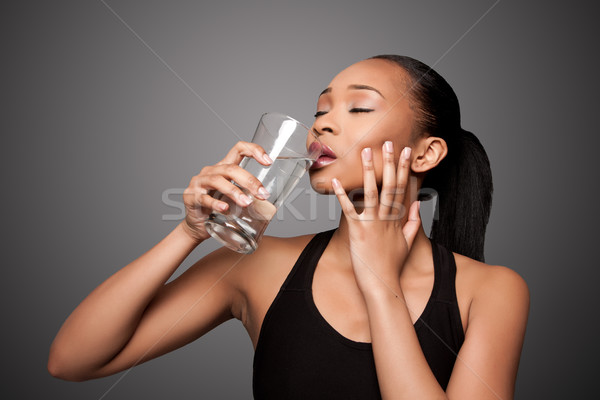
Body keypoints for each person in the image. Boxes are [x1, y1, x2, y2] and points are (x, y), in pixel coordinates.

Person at [48, 55, 529, 399]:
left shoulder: (490, 291)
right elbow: (72, 361)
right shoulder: (259, 265)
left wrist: (382, 287)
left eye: (358, 108)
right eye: (321, 110)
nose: (322, 125)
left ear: (425, 153)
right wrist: (189, 233)